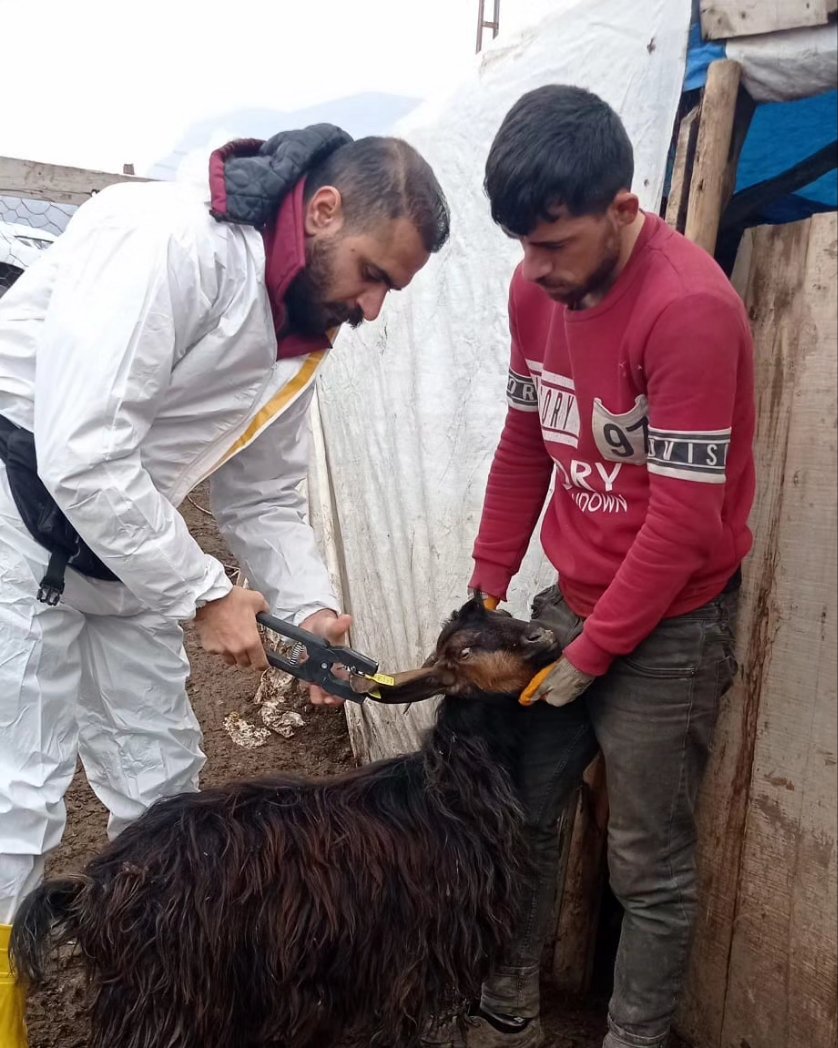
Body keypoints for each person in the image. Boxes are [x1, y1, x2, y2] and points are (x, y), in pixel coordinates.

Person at [0, 127, 449, 1044]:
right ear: (323, 211)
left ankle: (162, 1000)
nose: (371, 305)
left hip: (128, 544)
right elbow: (82, 453)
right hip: (19, 526)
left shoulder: (303, 332)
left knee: (165, 788)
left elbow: (264, 493)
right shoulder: (171, 244)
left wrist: (311, 608)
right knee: (19, 801)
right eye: (372, 273)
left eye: (388, 290)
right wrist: (204, 591)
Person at [431, 85, 754, 1048]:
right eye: (524, 247)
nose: (536, 272)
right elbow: (527, 440)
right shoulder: (537, 291)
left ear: (623, 209)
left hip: (672, 624)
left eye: (555, 246)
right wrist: (490, 583)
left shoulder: (691, 310)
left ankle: (633, 1036)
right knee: (522, 819)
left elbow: (685, 524)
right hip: (564, 601)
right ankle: (508, 1009)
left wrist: (596, 653)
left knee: (645, 863)